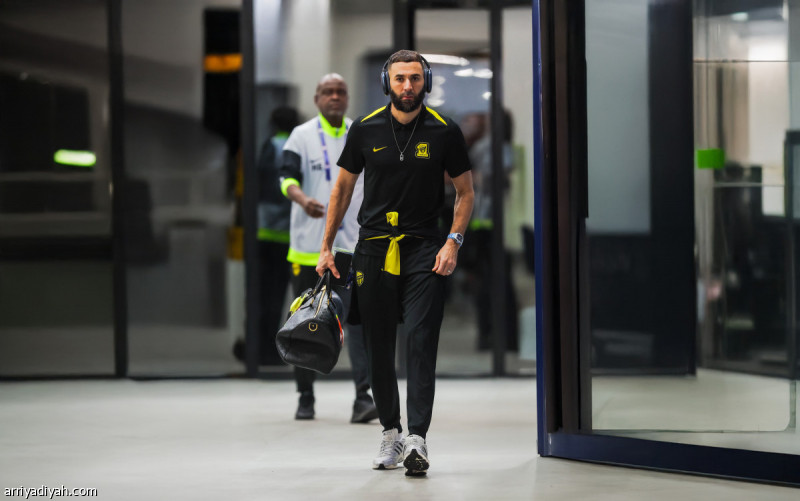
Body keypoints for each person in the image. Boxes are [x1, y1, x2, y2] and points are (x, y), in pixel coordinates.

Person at [316, 50, 474, 476]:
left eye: (415, 79)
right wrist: (326, 246)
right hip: (373, 249)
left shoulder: (445, 131)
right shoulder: (365, 129)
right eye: (400, 78)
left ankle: (417, 438)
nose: (408, 86)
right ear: (388, 82)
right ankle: (391, 432)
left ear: (426, 82)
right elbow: (341, 191)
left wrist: (453, 242)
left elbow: (465, 193)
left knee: (421, 340)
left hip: (425, 250)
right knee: (379, 344)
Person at [278, 73, 378, 424]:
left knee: (358, 325)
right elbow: (286, 178)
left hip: (352, 247)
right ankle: (305, 397)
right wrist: (302, 199)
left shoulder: (360, 132)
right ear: (317, 98)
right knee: (305, 322)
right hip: (309, 248)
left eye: (341, 92)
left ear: (347, 98)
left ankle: (363, 398)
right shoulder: (301, 135)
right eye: (328, 92)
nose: (335, 97)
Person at [234, 106, 299, 365]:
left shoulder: (270, 146)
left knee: (258, 293)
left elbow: (258, 187)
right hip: (288, 235)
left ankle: (255, 349)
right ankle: (273, 350)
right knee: (277, 295)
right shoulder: (298, 146)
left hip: (264, 231)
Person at [461, 110, 519, 351]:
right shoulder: (506, 149)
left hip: (485, 223)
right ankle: (503, 336)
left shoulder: (488, 147)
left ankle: (489, 335)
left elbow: (479, 179)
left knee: (486, 282)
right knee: (499, 281)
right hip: (495, 223)